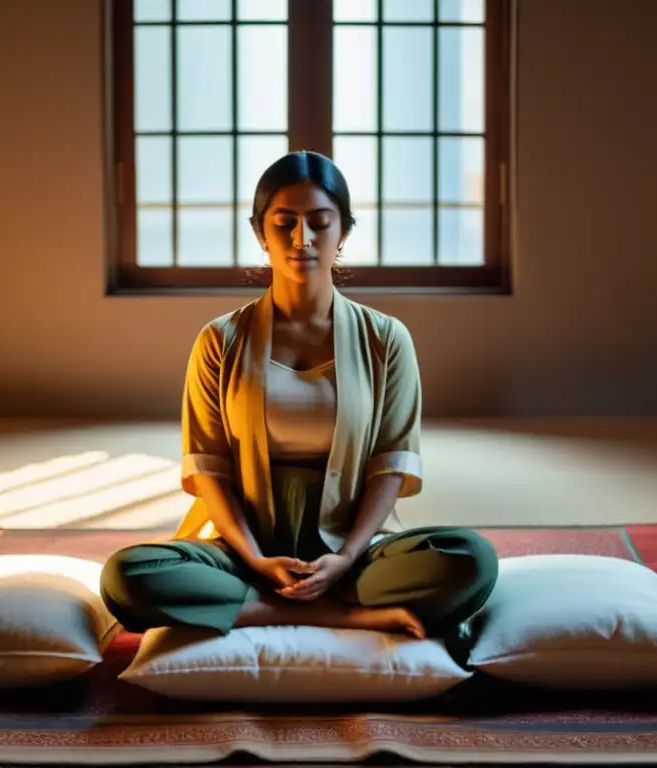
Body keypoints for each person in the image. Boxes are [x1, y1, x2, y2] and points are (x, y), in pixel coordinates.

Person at [100, 150, 498, 657]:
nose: (301, 240)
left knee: (470, 560)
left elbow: (389, 468)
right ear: (260, 233)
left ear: (343, 232)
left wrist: (348, 555)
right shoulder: (220, 341)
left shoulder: (386, 340)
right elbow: (209, 470)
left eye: (320, 222)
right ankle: (346, 614)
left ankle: (252, 606)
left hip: (352, 552)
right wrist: (256, 559)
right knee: (127, 577)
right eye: (283, 223)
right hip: (242, 550)